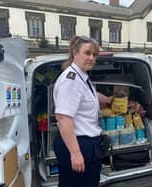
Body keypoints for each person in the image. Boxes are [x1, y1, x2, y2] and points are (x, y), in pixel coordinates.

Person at [53, 36, 112, 187]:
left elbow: (87, 96)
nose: (92, 58)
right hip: (79, 144)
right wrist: (75, 153)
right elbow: (63, 117)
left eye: (94, 54)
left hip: (84, 144)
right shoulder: (70, 80)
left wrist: (108, 99)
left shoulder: (81, 76)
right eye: (87, 53)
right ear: (75, 52)